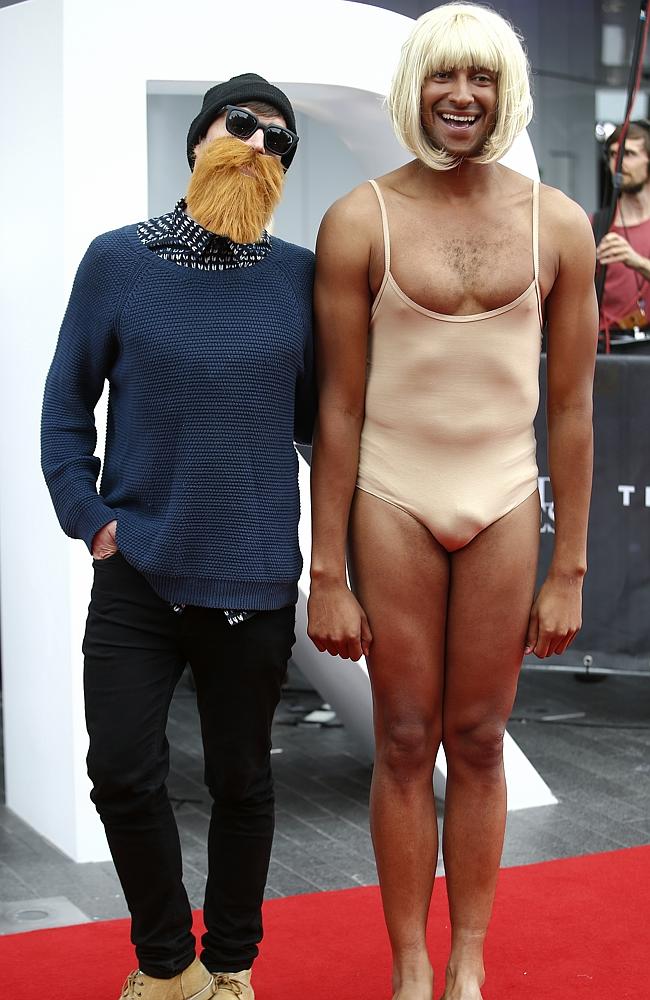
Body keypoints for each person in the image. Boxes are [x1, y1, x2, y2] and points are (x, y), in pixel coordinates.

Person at [307, 5, 597, 1000]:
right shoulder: (359, 218)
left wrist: (569, 568)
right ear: (414, 88)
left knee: (476, 738)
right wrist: (325, 573)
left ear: (503, 90)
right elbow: (337, 408)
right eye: (442, 76)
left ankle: (467, 958)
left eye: (478, 77)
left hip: (504, 499)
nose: (460, 95)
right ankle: (408, 963)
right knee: (400, 737)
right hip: (392, 494)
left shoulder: (556, 221)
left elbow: (570, 406)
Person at [41, 73, 314, 1000]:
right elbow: (63, 409)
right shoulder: (117, 261)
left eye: (280, 142)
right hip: (140, 571)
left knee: (241, 783)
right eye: (241, 126)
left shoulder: (297, 276)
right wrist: (92, 521)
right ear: (198, 139)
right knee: (119, 771)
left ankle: (231, 967)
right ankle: (167, 967)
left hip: (253, 576)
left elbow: (330, 421)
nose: (257, 146)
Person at [595, 120, 650, 333]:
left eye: (628, 154)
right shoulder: (596, 225)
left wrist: (637, 262)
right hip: (607, 350)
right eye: (612, 154)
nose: (617, 163)